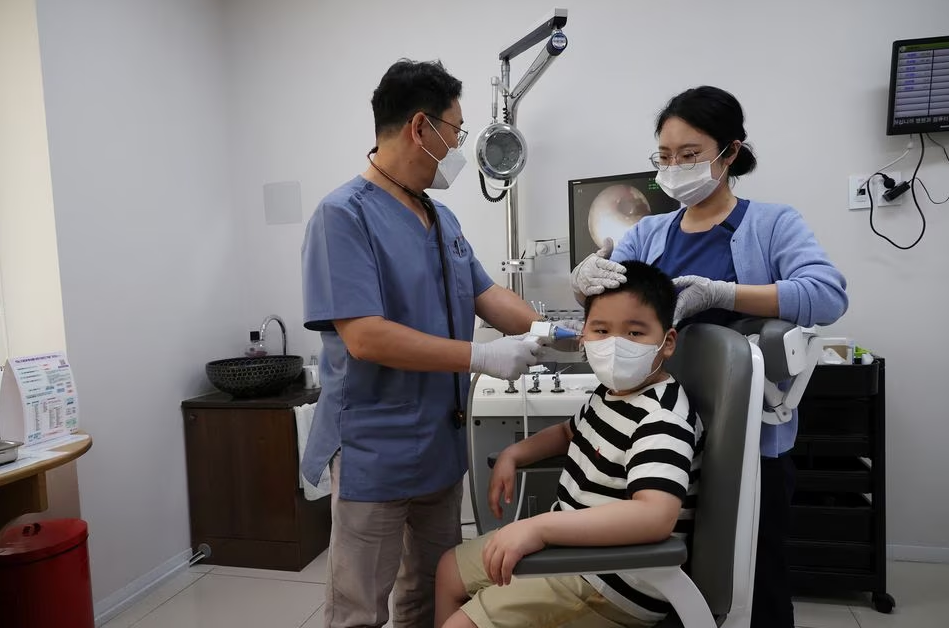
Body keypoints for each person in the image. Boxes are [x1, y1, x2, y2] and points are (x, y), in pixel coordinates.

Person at [301, 59, 573, 628]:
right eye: (456, 131)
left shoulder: (439, 217)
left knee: (429, 593)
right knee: (358, 608)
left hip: (437, 447)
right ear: (420, 128)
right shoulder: (342, 217)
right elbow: (365, 337)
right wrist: (482, 355)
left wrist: (557, 335)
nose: (457, 146)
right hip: (375, 446)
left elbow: (486, 294)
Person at [570, 86, 848, 628]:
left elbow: (828, 294)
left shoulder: (770, 224)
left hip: (745, 444)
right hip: (662, 434)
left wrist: (725, 294)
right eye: (665, 157)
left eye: (690, 155)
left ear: (731, 153)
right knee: (672, 583)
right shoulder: (647, 233)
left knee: (754, 582)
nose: (675, 168)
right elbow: (612, 307)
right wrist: (582, 285)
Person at [435, 261, 704, 628]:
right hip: (573, 549)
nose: (614, 345)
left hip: (612, 582)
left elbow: (654, 516)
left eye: (634, 333)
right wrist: (513, 455)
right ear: (583, 336)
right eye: (601, 330)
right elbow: (567, 433)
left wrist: (540, 528)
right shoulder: (610, 394)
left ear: (666, 341)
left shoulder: (662, 417)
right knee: (448, 570)